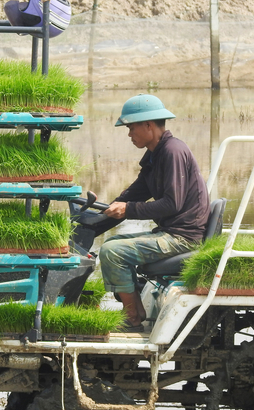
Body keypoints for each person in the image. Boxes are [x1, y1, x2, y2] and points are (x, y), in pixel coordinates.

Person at [99, 94, 210, 332]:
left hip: (183, 238)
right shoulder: (155, 154)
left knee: (112, 251)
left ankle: (132, 317)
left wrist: (128, 209)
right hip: (171, 232)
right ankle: (135, 309)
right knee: (113, 244)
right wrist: (108, 207)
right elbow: (138, 190)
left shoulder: (172, 151)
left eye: (131, 128)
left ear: (148, 125)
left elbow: (172, 204)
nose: (130, 135)